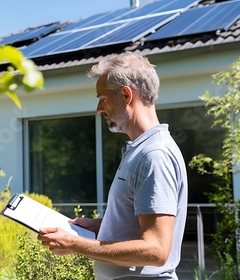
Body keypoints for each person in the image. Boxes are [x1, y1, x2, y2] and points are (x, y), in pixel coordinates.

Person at [38, 52, 188, 279]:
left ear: (126, 95)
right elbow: (138, 223)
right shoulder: (140, 150)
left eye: (103, 98)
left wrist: (75, 244)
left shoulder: (154, 154)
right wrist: (101, 226)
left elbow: (156, 250)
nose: (99, 108)